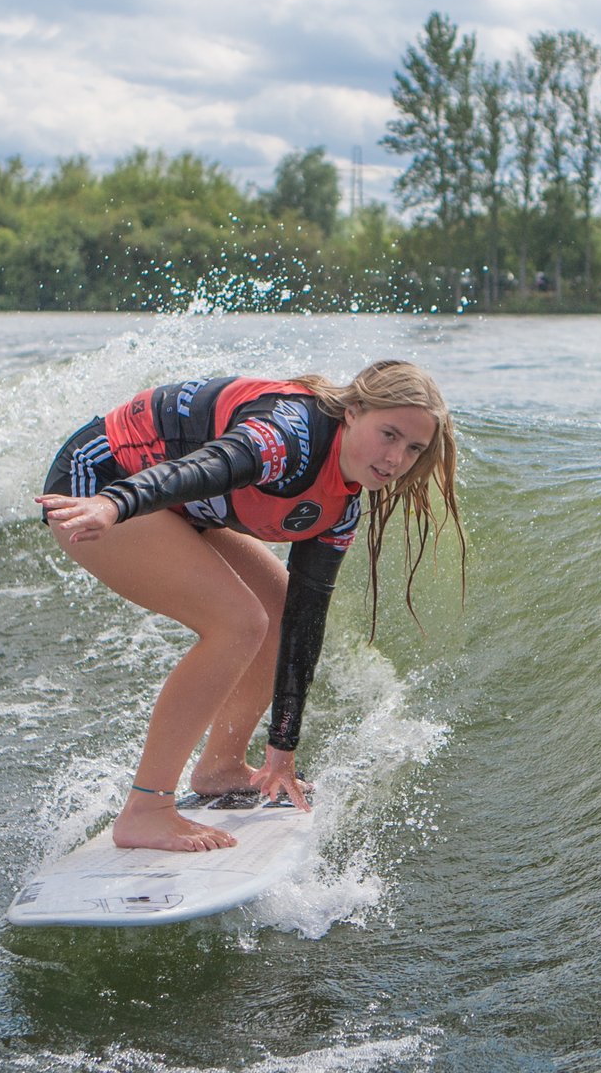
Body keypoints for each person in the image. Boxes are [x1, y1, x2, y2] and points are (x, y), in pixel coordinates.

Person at [35, 360, 463, 853]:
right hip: (97, 487)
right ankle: (145, 810)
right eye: (389, 435)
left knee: (277, 611)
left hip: (161, 502)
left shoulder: (340, 506)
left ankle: (221, 767)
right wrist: (115, 503)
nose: (395, 458)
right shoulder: (285, 435)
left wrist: (282, 750)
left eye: (413, 448)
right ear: (353, 412)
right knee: (238, 622)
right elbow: (202, 468)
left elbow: (304, 621)